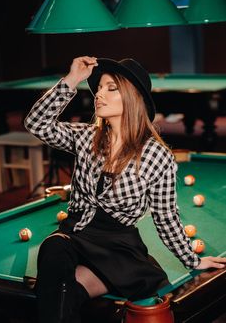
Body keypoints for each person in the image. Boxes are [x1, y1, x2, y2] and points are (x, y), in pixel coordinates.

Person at [25, 56, 226, 323]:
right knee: (53, 248)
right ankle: (102, 279)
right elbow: (36, 124)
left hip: (118, 248)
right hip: (74, 235)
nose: (98, 94)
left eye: (111, 88)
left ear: (132, 98)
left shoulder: (157, 156)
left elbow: (166, 217)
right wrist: (72, 79)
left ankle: (104, 277)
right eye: (98, 88)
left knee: (63, 291)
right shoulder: (85, 137)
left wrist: (192, 260)